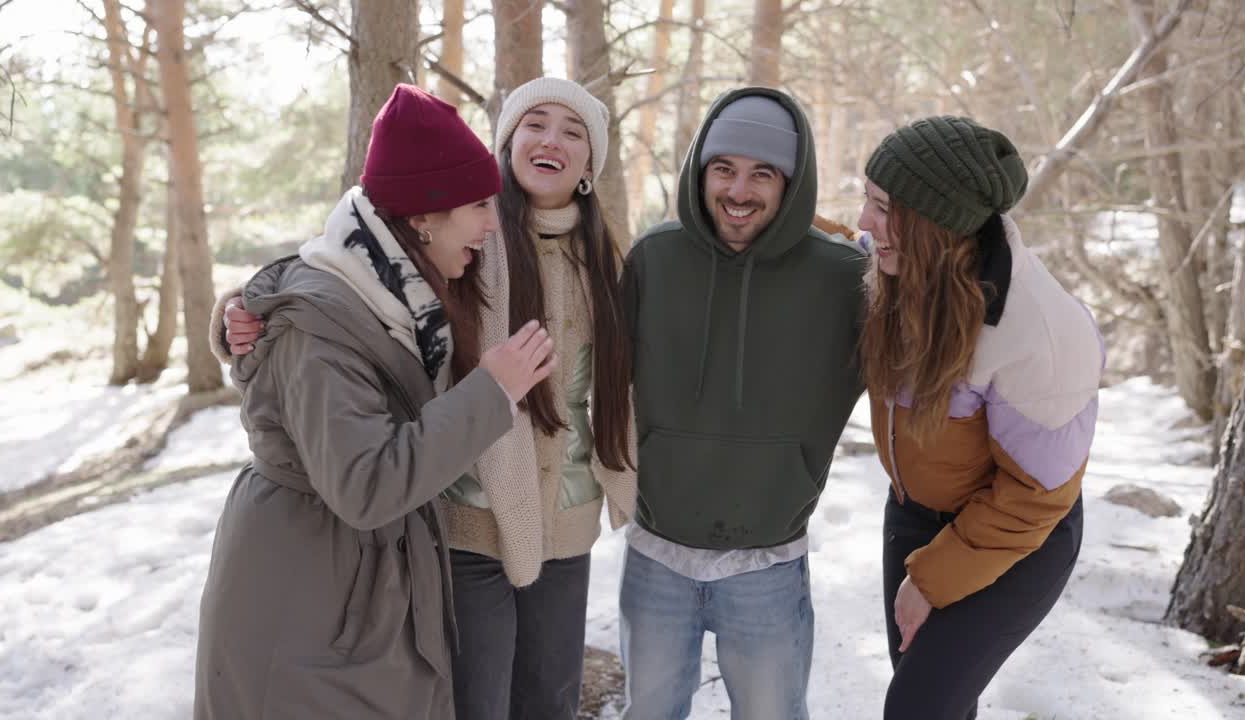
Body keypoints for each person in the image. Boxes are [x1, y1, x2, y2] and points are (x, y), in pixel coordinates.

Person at [216, 77, 636, 720]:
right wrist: (241, 321)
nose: (552, 139)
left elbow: (620, 384)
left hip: (564, 515)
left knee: (549, 697)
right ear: (507, 141)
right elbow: (330, 273)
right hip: (464, 515)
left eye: (573, 130)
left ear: (590, 164)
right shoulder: (460, 240)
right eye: (535, 123)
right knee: (475, 699)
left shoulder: (602, 257)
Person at [618, 87, 867, 719]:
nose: (738, 190)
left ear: (792, 182)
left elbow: (914, 372)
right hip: (656, 555)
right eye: (723, 169)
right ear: (700, 171)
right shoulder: (654, 259)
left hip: (768, 562)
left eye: (763, 174)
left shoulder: (843, 279)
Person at [855, 116, 1103, 720]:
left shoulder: (1038, 331)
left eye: (883, 208)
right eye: (867, 200)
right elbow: (844, 244)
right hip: (914, 514)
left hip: (1018, 531)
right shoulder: (909, 266)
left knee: (918, 706)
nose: (866, 223)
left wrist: (932, 581)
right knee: (931, 698)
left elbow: (1035, 499)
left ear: (934, 222)